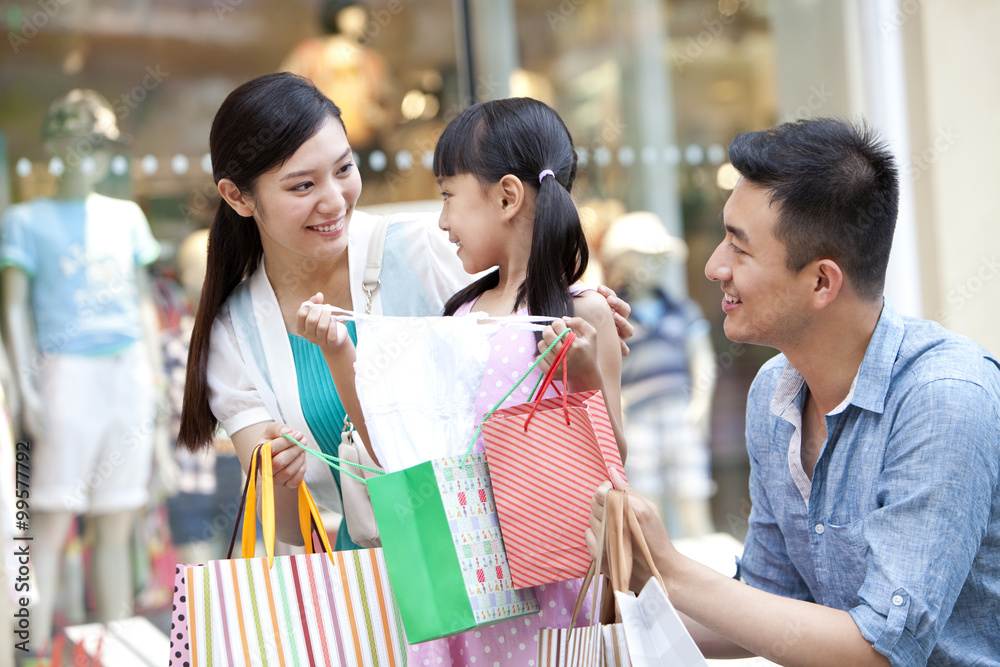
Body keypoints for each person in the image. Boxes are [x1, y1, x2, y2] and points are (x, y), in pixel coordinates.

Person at [587, 118, 1000, 666]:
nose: (714, 267)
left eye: (739, 248)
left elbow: (880, 652)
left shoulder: (944, 400)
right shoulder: (773, 395)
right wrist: (605, 603)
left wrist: (671, 571)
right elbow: (769, 605)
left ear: (822, 282)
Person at [177, 73, 633, 552]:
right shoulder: (235, 333)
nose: (333, 200)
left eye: (344, 169)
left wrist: (578, 304)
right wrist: (277, 471)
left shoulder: (424, 250)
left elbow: (521, 308)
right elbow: (283, 531)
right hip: (370, 575)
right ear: (238, 197)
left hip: (505, 548)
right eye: (302, 186)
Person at [296, 95, 626, 667]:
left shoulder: (582, 313)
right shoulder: (458, 316)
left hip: (555, 598)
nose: (443, 220)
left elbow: (614, 470)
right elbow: (393, 450)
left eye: (449, 194)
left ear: (506, 196)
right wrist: (337, 353)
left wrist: (585, 376)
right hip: (460, 591)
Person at [0, 89, 173, 655]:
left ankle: (118, 646)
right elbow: (14, 306)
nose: (88, 157)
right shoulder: (25, 221)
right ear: (55, 147)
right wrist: (24, 384)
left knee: (117, 518)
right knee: (49, 523)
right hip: (63, 371)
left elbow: (142, 301)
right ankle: (30, 647)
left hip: (125, 369)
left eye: (97, 146)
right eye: (78, 144)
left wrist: (156, 376)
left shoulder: (125, 217)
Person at [600, 211, 717, 538]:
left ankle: (704, 567)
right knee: (648, 502)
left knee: (692, 492)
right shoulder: (613, 315)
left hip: (681, 413)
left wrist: (701, 403)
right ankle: (661, 573)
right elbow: (605, 366)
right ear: (621, 261)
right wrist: (616, 406)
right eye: (647, 257)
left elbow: (703, 360)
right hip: (635, 417)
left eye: (660, 257)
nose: (657, 264)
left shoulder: (683, 310)